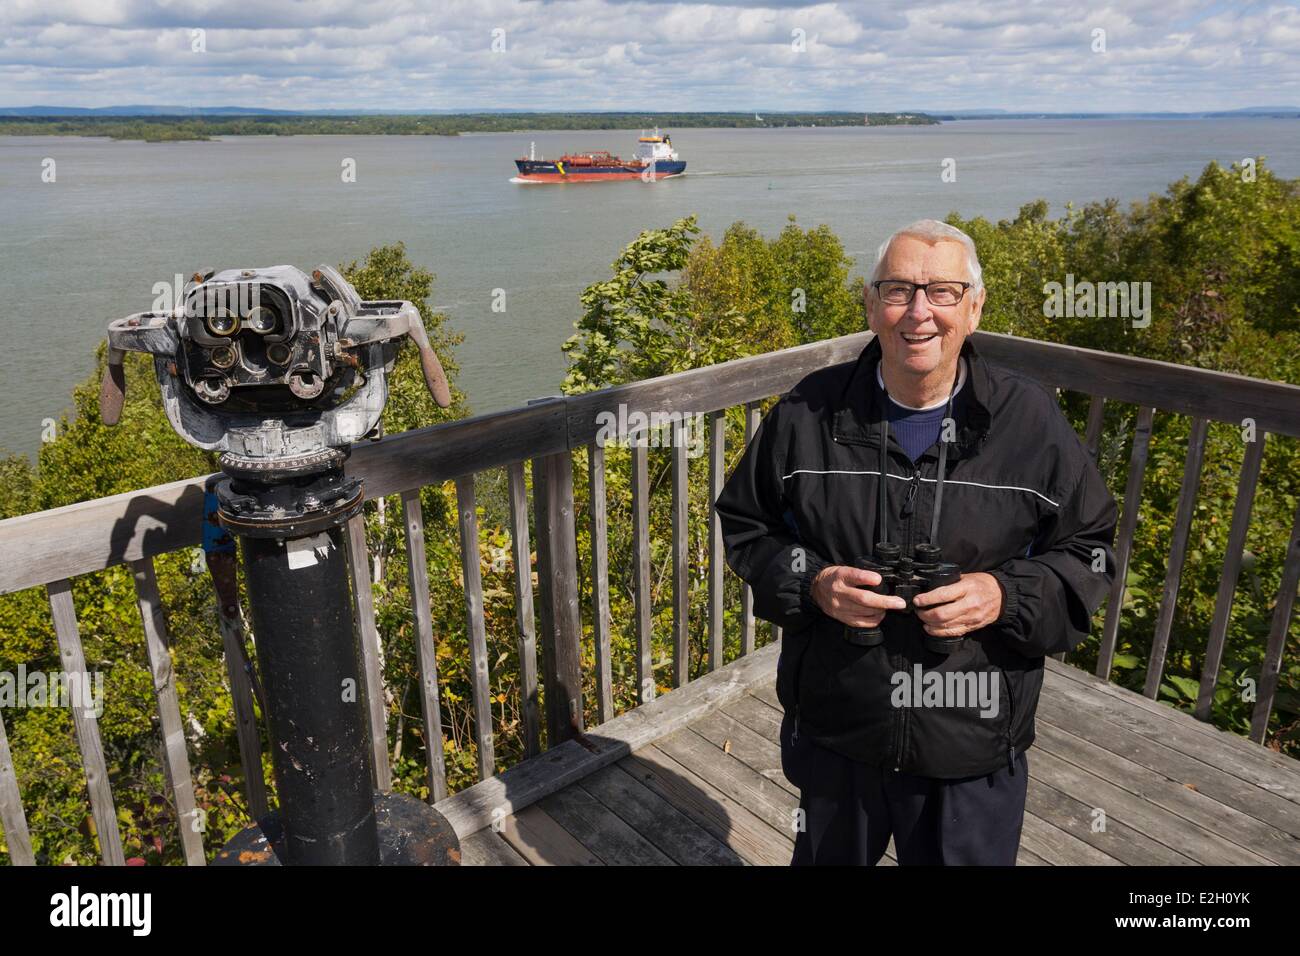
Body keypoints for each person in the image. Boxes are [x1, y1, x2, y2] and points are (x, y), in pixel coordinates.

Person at [714, 219, 1118, 865]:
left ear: (975, 307)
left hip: (972, 739)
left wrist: (1002, 595)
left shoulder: (1028, 421)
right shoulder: (808, 413)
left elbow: (1092, 548)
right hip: (839, 729)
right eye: (899, 289)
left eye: (943, 292)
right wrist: (813, 583)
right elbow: (748, 525)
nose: (919, 312)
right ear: (871, 306)